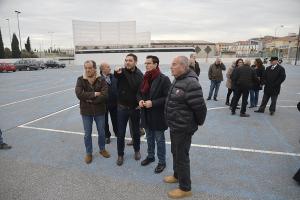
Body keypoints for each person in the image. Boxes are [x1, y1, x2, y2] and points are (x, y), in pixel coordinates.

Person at [164, 56, 207, 199]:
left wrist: (198, 123)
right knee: (175, 152)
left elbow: (200, 107)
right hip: (175, 125)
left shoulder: (190, 83)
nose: (171, 67)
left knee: (182, 156)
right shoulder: (178, 79)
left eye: (174, 64)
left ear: (184, 66)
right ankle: (177, 175)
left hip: (183, 127)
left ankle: (185, 188)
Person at [137, 55, 171, 173]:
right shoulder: (144, 77)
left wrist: (153, 103)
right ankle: (151, 156)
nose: (146, 65)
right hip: (146, 114)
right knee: (149, 138)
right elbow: (139, 93)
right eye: (145, 63)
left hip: (158, 115)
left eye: (149, 63)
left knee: (159, 139)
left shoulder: (163, 79)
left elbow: (168, 97)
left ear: (156, 64)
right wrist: (140, 100)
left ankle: (162, 162)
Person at [75, 60, 110, 164]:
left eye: (90, 68)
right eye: (86, 68)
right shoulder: (80, 79)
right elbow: (79, 94)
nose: (87, 70)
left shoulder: (101, 79)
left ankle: (102, 149)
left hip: (100, 111)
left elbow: (104, 95)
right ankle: (89, 153)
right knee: (87, 134)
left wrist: (89, 99)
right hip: (86, 112)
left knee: (102, 132)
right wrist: (94, 94)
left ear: (94, 68)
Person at [114, 53, 143, 166]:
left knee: (136, 132)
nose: (127, 62)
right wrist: (116, 71)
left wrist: (139, 103)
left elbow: (141, 91)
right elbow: (116, 75)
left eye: (130, 60)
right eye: (126, 60)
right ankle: (120, 155)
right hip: (122, 109)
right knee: (120, 133)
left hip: (135, 108)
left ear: (135, 62)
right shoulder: (121, 72)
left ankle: (137, 151)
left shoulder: (140, 74)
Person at [100, 62, 118, 144]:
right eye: (108, 67)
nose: (110, 68)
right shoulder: (98, 79)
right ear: (102, 69)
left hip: (114, 103)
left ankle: (117, 133)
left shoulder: (114, 76)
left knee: (116, 119)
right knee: (104, 121)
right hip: (103, 104)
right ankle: (107, 136)